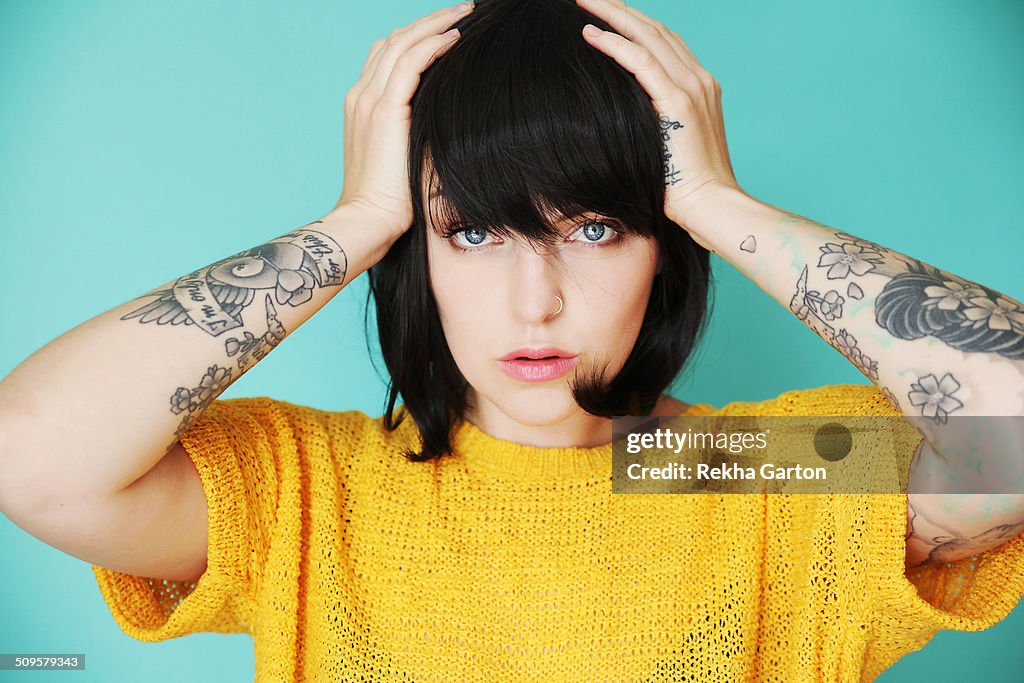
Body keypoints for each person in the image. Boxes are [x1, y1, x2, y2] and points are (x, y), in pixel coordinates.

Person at [1, 0, 1023, 680]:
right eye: (474, 229)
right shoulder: (315, 487)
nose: (535, 301)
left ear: (662, 247)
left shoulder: (731, 466)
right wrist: (353, 222)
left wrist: (716, 201)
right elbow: (34, 454)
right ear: (420, 249)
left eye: (594, 227)